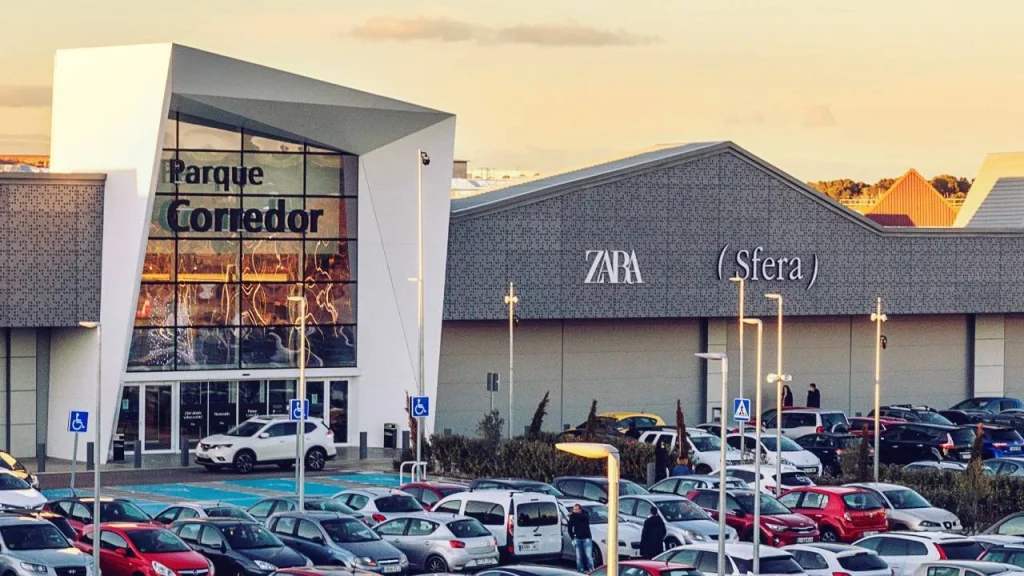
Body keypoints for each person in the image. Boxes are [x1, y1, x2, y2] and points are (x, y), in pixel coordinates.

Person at [567, 503, 594, 572]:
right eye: (574, 510)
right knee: (579, 557)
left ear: (580, 509)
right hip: (578, 539)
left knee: (588, 556)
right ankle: (580, 571)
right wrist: (573, 537)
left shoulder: (585, 515)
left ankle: (591, 571)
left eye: (576, 509)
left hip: (586, 538)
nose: (575, 511)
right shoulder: (573, 517)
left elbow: (583, 517)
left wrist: (573, 514)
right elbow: (569, 528)